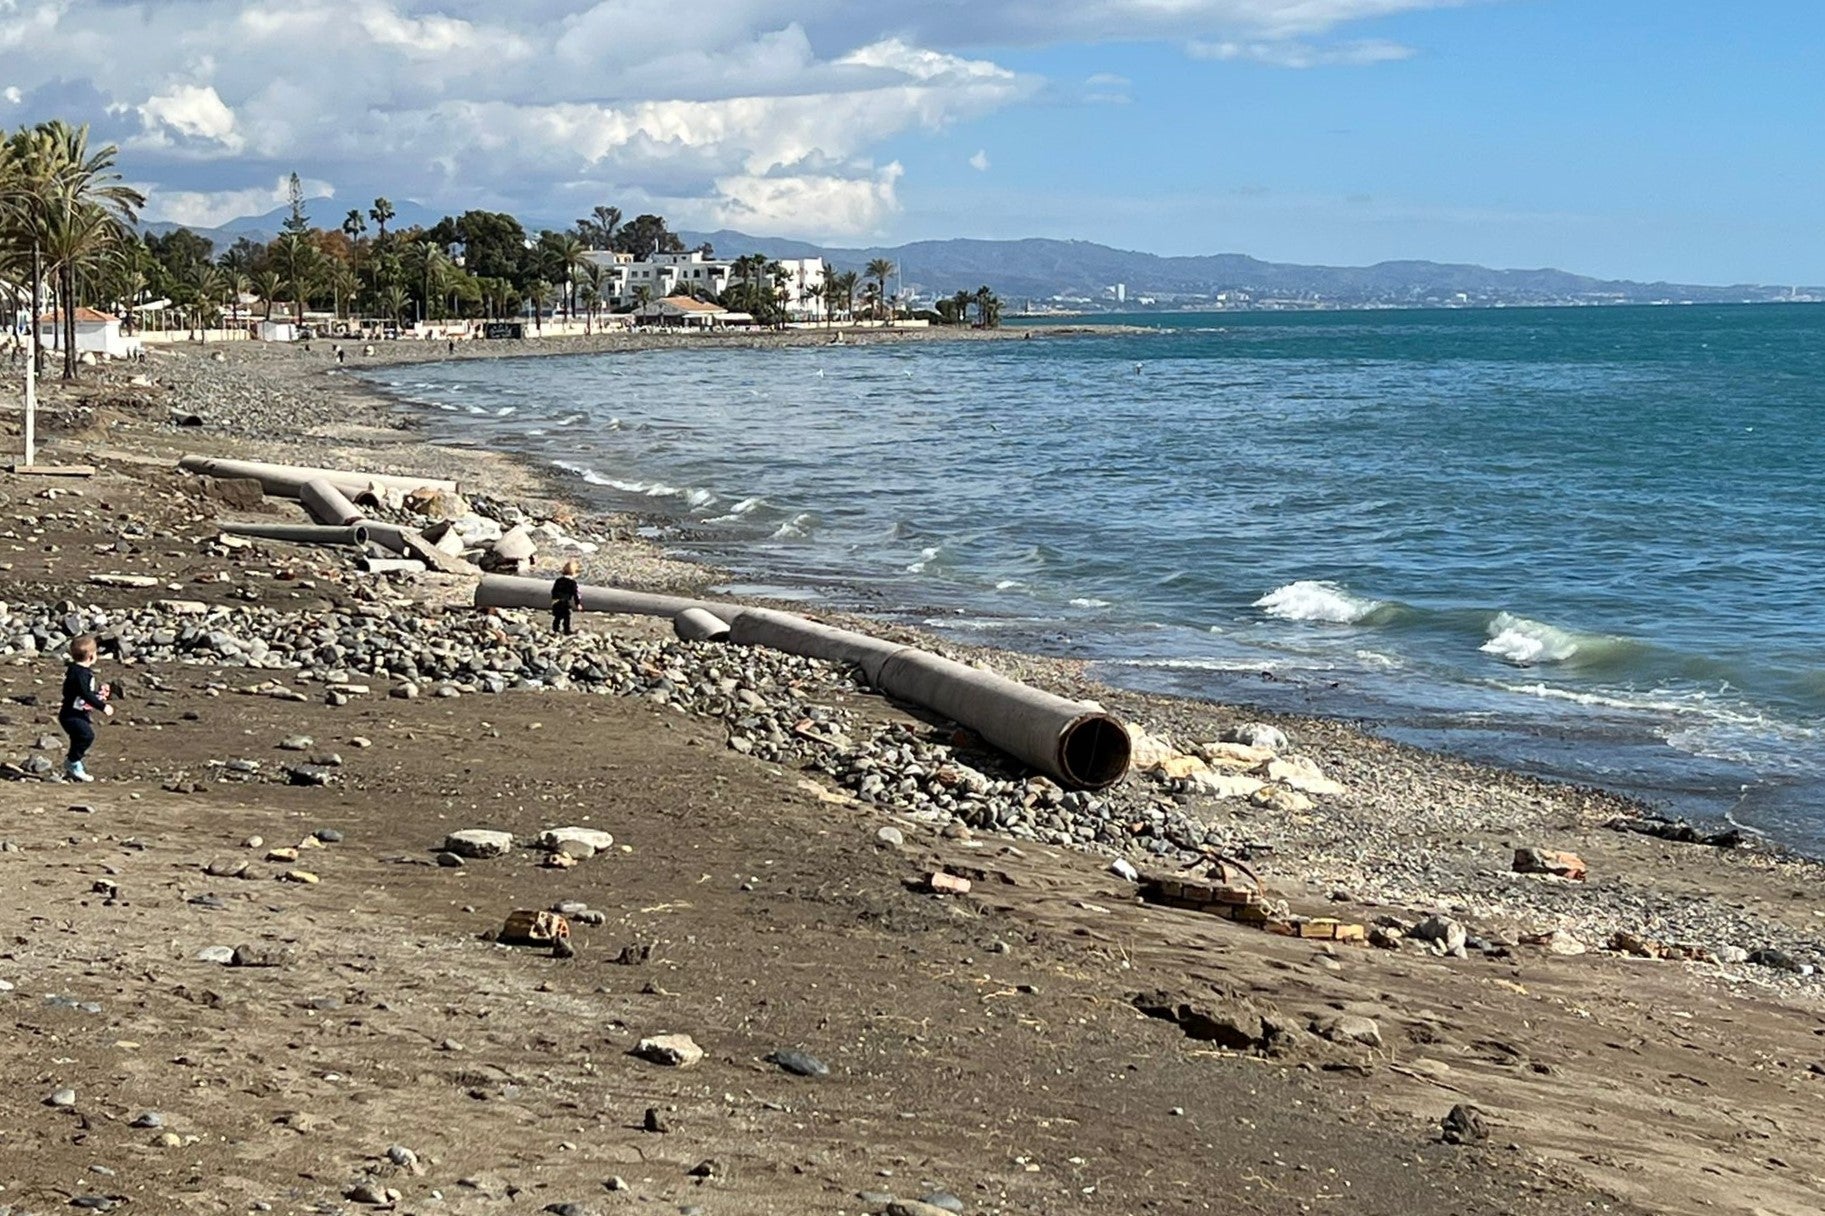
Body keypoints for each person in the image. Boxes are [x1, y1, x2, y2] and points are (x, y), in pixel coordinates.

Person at [59, 635, 112, 782]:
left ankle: (73, 765)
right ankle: (73, 762)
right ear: (91, 656)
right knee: (86, 736)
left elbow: (82, 694)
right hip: (71, 714)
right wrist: (103, 706)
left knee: (79, 738)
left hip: (76, 712)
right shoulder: (80, 673)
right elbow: (84, 693)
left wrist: (98, 695)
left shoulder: (76, 670)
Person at [551, 560, 582, 634]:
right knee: (567, 617)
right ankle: (566, 631)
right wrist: (578, 604)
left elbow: (553, 591)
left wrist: (554, 599)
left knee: (557, 617)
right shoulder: (572, 583)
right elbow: (575, 594)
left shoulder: (558, 580)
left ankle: (555, 629)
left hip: (556, 601)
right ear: (574, 573)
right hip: (564, 602)